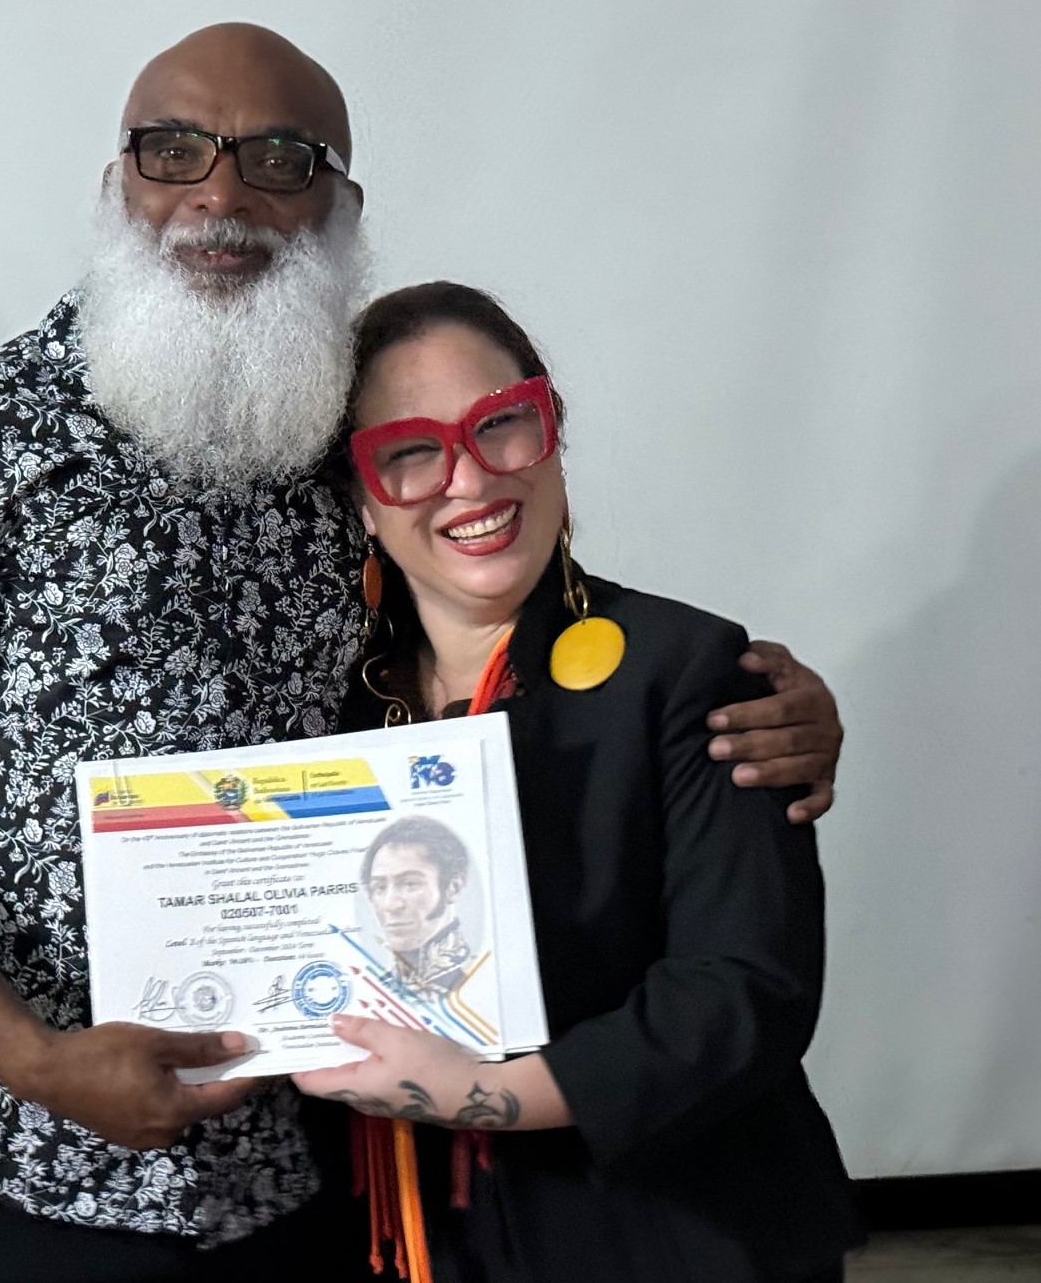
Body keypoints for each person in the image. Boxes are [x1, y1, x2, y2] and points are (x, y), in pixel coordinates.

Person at [0, 24, 847, 1282]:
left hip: (306, 1167)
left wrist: (774, 701)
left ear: (341, 204)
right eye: (174, 150)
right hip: (17, 1151)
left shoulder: (338, 437)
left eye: (280, 158)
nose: (220, 193)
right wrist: (32, 1057)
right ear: (118, 179)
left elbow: (493, 610)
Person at [295, 281, 863, 1283]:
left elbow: (743, 991)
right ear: (363, 499)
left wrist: (485, 1092)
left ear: (551, 432)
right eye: (411, 450)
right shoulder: (320, 710)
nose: (470, 478)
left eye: (501, 423)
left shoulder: (691, 668)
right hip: (418, 1242)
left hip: (673, 1232)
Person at [362, 816, 473, 997]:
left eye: (410, 884)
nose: (391, 905)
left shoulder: (479, 977)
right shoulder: (376, 990)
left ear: (453, 887)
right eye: (380, 887)